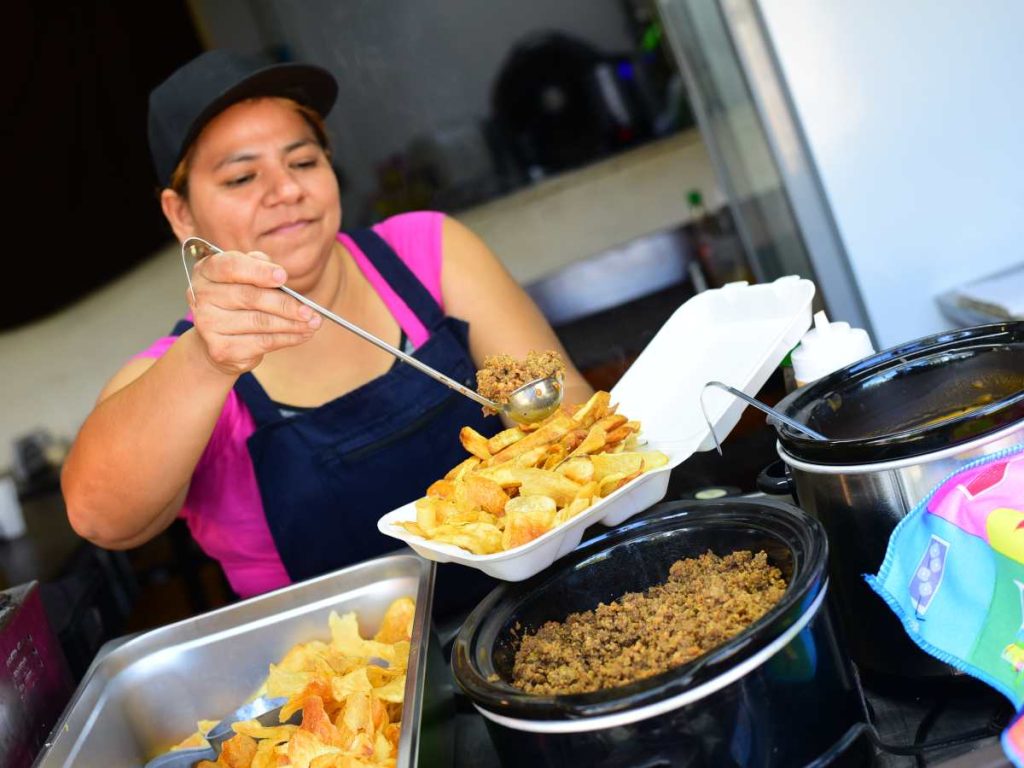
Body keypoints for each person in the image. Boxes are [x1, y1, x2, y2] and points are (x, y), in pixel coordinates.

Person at [61, 50, 592, 616]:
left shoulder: (426, 254)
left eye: (304, 162)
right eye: (242, 176)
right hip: (356, 691)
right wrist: (205, 363)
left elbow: (568, 420)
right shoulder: (179, 372)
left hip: (542, 615)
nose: (286, 190)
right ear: (182, 215)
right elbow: (101, 518)